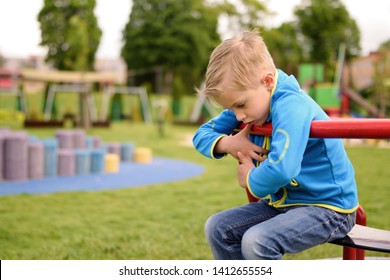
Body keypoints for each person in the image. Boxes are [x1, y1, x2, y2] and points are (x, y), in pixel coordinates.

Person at [192, 29, 358, 260]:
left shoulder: (291, 105)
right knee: (218, 228)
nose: (238, 116)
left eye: (240, 105)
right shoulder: (249, 100)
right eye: (231, 109)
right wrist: (228, 143)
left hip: (329, 207)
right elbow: (202, 134)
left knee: (258, 240)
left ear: (268, 81)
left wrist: (250, 178)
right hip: (284, 203)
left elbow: (283, 169)